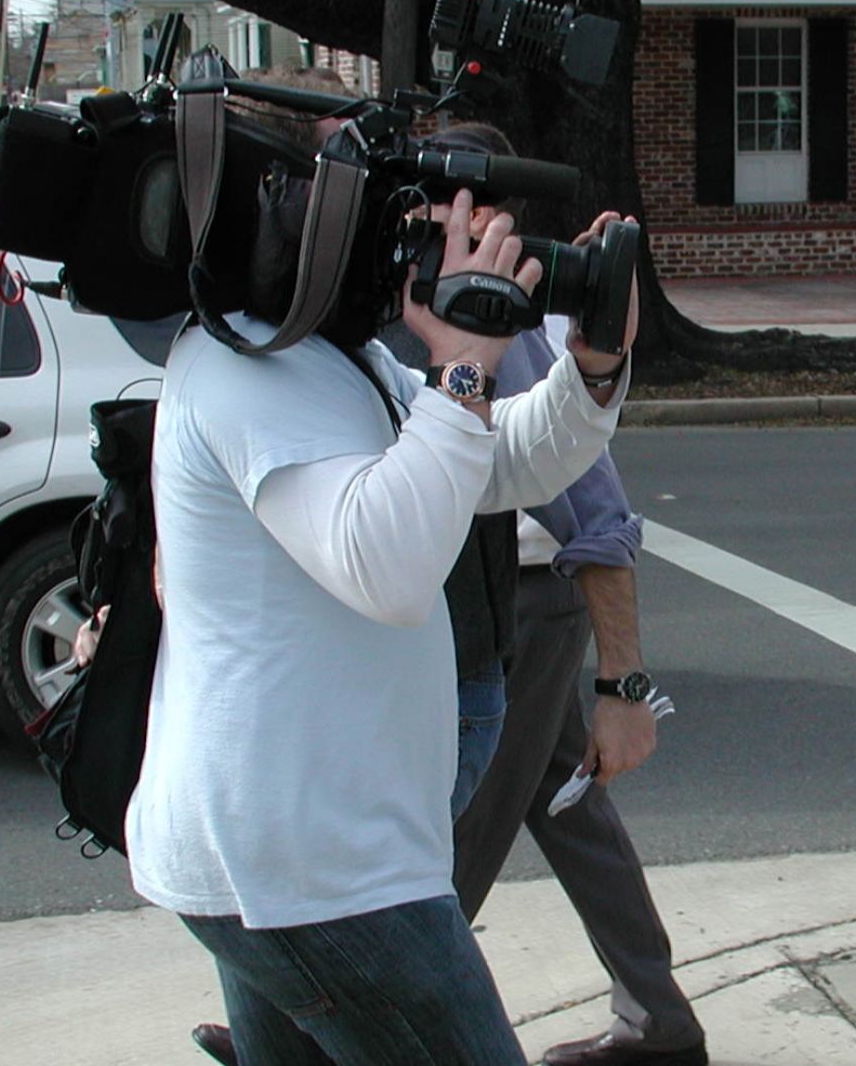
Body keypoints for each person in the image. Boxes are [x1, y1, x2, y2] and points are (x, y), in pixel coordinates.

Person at [129, 143, 637, 1066]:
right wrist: (469, 363)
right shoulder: (248, 367)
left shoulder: (331, 358)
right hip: (316, 869)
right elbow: (389, 566)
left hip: (304, 853)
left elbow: (499, 458)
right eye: (401, 222)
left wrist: (591, 366)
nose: (424, 245)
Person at [449, 307, 706, 1066]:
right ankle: (658, 1018)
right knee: (568, 806)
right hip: (481, 596)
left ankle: (332, 1025)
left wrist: (624, 688)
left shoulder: (488, 317)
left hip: (521, 598)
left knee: (457, 831)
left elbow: (597, 509)